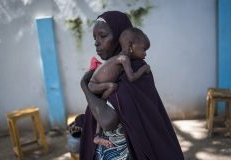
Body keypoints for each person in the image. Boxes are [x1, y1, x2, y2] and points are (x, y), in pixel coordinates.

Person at [71, 11, 184, 160]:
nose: (96, 42)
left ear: (121, 39)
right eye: (94, 37)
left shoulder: (136, 70)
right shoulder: (109, 70)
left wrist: (84, 86)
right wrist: (86, 120)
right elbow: (104, 107)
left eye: (103, 36)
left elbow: (107, 121)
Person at [88, 27, 151, 147]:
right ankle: (97, 134)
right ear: (131, 46)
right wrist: (144, 69)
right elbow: (131, 78)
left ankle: (97, 136)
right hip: (94, 85)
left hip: (96, 85)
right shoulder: (124, 59)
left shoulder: (122, 58)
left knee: (102, 105)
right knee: (112, 87)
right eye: (143, 49)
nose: (145, 53)